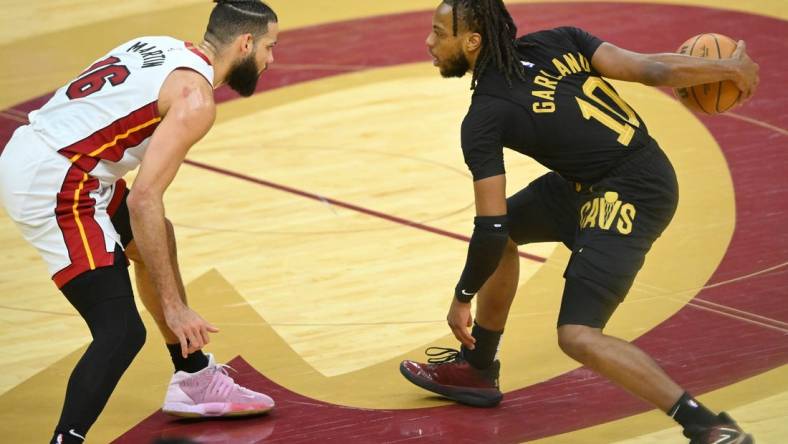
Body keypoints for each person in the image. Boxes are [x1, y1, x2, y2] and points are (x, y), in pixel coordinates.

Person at [399, 1, 759, 443]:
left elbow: (487, 226)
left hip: (631, 192)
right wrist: (727, 68)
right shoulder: (558, 40)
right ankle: (477, 370)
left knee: (577, 335)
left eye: (439, 32)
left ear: (472, 42)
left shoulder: (484, 116)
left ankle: (708, 425)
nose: (429, 42)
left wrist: (462, 297)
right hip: (596, 179)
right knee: (511, 231)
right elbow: (651, 70)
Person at [0, 1, 280, 442]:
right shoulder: (195, 99)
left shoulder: (157, 45)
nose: (270, 59)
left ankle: (193, 377)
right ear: (245, 43)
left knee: (157, 241)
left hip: (51, 155)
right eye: (268, 46)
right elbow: (145, 199)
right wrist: (174, 305)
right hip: (58, 182)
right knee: (121, 332)